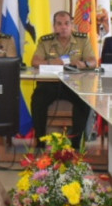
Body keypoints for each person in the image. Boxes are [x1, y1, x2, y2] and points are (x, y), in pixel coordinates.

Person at [31, 11, 96, 148]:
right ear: (54, 26)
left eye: (67, 23)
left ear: (72, 25)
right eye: (59, 24)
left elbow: (93, 61)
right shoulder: (45, 41)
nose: (63, 27)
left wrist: (84, 64)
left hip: (75, 84)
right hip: (50, 84)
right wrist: (51, 62)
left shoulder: (82, 40)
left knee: (84, 102)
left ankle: (76, 145)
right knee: (37, 99)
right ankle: (40, 142)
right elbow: (35, 61)